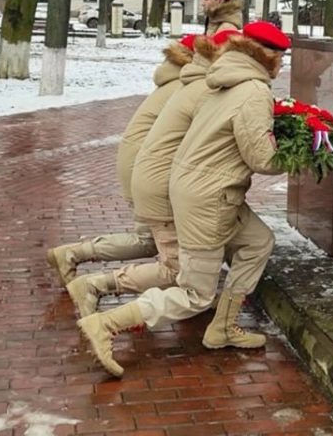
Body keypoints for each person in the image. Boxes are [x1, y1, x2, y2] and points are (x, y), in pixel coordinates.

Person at [75, 21, 290, 377]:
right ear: (267, 56)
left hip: (202, 188)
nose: (282, 65)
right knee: (195, 293)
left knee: (258, 242)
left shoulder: (225, 79)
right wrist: (303, 156)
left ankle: (223, 327)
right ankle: (107, 324)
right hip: (211, 197)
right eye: (281, 58)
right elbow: (262, 159)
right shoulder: (253, 90)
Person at [65, 29, 238, 317]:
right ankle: (95, 285)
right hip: (155, 176)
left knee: (155, 243)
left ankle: (74, 257)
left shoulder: (180, 80)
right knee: (171, 264)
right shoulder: (197, 88)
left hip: (145, 169)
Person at [45, 34, 197, 286]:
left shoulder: (172, 79)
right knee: (155, 242)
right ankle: (94, 283)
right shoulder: (184, 86)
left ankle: (71, 254)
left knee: (148, 238)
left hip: (137, 162)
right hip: (147, 166)